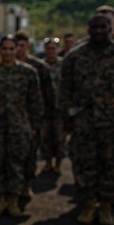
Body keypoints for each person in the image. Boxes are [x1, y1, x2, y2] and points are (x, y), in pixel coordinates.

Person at [60, 14, 114, 225]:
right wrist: (67, 118)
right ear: (88, 29)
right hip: (84, 121)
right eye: (94, 27)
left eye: (102, 27)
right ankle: (88, 203)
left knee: (111, 162)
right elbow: (65, 91)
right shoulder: (75, 57)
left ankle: (106, 205)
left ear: (110, 29)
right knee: (84, 162)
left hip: (112, 120)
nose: (98, 31)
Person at [0, 35, 42, 217]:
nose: (9, 52)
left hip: (18, 127)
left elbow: (35, 102)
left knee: (16, 165)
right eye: (5, 49)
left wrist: (34, 126)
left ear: (18, 50)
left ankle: (13, 200)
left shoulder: (28, 73)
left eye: (12, 49)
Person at [14, 31, 53, 200]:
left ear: (27, 47)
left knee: (29, 155)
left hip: (31, 119)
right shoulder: (3, 68)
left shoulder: (38, 68)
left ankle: (25, 185)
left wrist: (43, 119)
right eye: (17, 46)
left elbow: (48, 95)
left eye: (22, 46)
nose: (19, 49)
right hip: (10, 120)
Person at [39, 38, 65, 173]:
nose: (50, 51)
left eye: (53, 49)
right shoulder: (41, 66)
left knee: (60, 137)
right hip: (45, 108)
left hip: (60, 108)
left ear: (58, 50)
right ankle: (48, 162)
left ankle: (58, 165)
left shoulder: (64, 65)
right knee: (46, 137)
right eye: (48, 49)